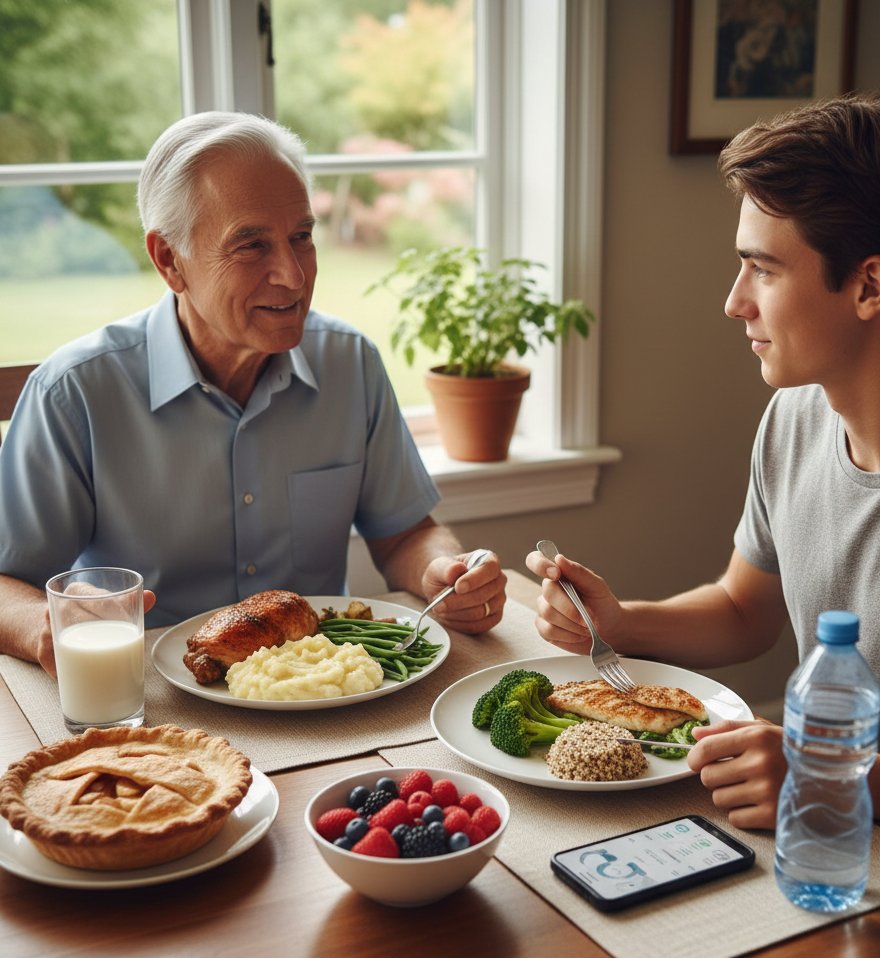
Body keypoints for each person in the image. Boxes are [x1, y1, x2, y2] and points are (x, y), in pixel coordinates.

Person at [526, 92, 880, 879]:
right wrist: (621, 623)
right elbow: (743, 611)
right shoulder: (796, 417)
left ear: (870, 287)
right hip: (820, 839)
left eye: (762, 267)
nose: (734, 302)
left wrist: (835, 776)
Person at [0, 111, 506, 677]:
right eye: (251, 245)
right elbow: (4, 583)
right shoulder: (74, 393)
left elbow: (405, 535)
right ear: (169, 260)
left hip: (324, 693)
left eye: (301, 237)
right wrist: (45, 623)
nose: (293, 275)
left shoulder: (350, 362)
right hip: (151, 700)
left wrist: (444, 572)